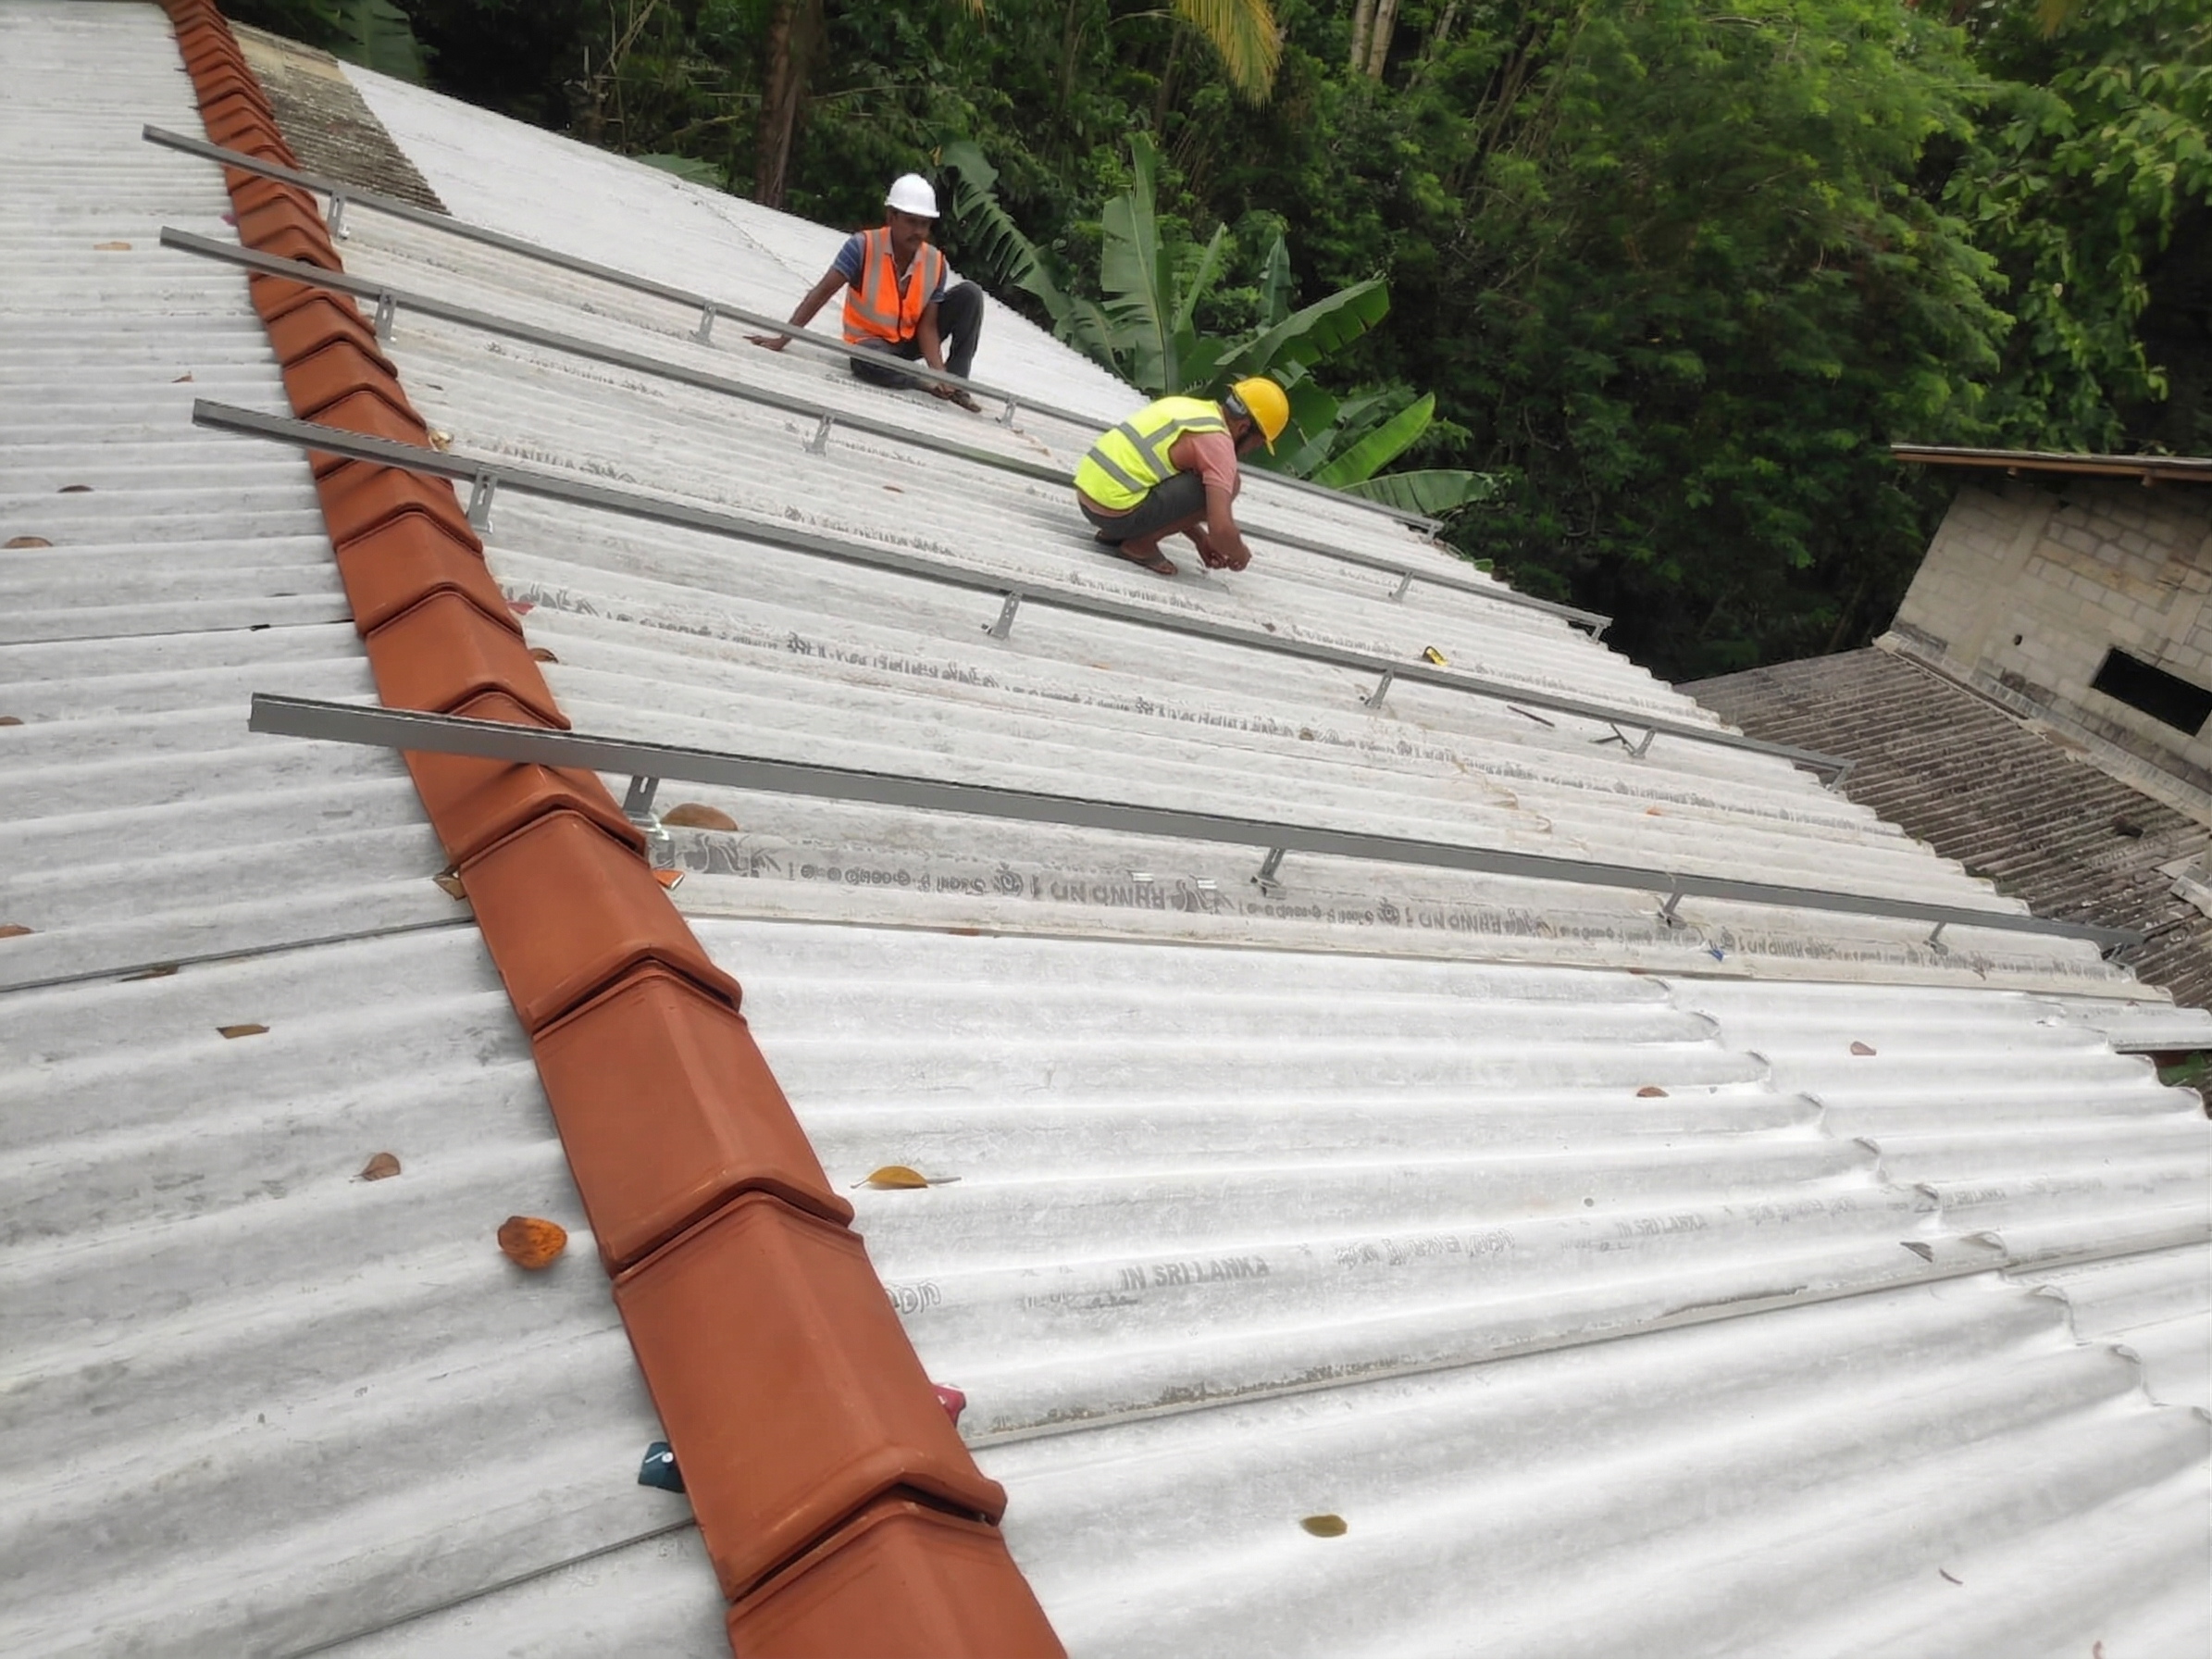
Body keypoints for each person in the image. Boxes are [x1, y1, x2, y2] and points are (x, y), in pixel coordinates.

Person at [748, 173, 984, 409]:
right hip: (871, 346)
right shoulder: (862, 247)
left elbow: (928, 326)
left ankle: (956, 386)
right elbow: (821, 293)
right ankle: (919, 382)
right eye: (911, 221)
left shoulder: (935, 262)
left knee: (970, 294)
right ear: (891, 216)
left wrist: (939, 373)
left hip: (910, 343)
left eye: (924, 224)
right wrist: (783, 338)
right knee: (865, 362)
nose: (918, 231)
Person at [1073, 378, 1291, 577]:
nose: (1250, 450)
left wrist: (1200, 539)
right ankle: (1140, 545)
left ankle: (1116, 534)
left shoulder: (1187, 407)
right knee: (1231, 482)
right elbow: (1221, 529)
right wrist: (1240, 554)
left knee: (1197, 476)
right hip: (1116, 513)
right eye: (1257, 443)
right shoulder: (1218, 444)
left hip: (1088, 499)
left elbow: (1166, 486)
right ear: (1244, 428)